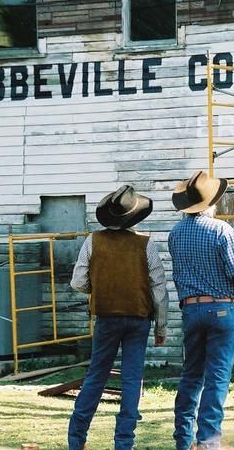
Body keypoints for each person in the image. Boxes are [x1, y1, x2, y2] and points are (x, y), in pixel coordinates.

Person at [68, 185, 169, 450]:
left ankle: (77, 440)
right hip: (138, 318)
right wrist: (161, 327)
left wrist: (99, 288)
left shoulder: (93, 241)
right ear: (135, 217)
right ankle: (124, 442)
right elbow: (159, 289)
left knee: (96, 376)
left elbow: (77, 282)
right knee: (132, 378)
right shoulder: (146, 244)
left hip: (106, 316)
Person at [169, 170, 234, 450]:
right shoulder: (222, 231)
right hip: (221, 308)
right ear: (212, 203)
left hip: (191, 309)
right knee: (217, 376)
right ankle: (207, 441)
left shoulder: (175, 233)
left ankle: (183, 440)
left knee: (191, 374)